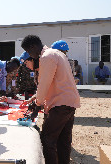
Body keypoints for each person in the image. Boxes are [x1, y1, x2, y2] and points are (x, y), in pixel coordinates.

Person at [21, 35, 80, 164]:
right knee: (63, 141)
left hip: (60, 105)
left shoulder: (47, 56)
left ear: (33, 47)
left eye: (28, 52)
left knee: (47, 139)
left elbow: (44, 84)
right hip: (68, 103)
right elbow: (53, 83)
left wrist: (37, 106)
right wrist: (35, 99)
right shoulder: (56, 54)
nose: (29, 55)